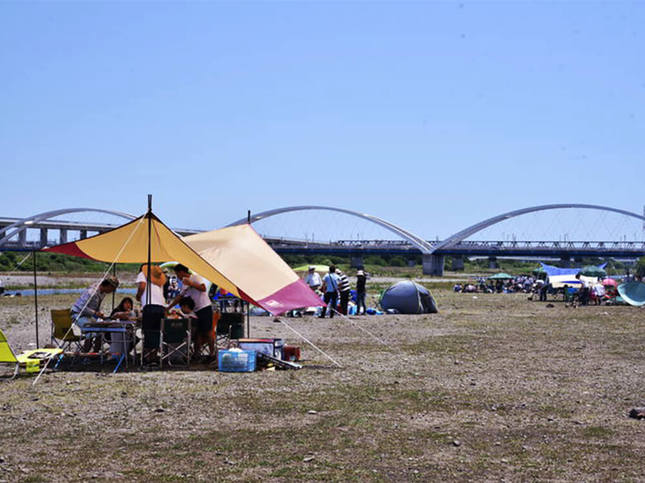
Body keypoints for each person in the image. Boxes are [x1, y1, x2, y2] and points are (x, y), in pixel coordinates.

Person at [167, 264, 214, 357]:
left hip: (205, 307)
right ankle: (197, 354)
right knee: (198, 332)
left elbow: (203, 288)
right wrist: (169, 307)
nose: (177, 277)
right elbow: (180, 297)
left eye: (177, 274)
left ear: (182, 272)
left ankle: (212, 353)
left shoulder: (195, 278)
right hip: (196, 310)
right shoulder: (184, 284)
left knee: (208, 332)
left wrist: (191, 284)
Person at [71, 276, 119, 352]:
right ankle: (85, 353)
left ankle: (95, 353)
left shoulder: (102, 294)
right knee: (90, 331)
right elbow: (81, 307)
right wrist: (95, 313)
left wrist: (99, 315)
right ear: (109, 286)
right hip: (78, 314)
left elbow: (96, 306)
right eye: (112, 289)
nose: (111, 292)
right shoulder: (91, 291)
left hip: (88, 315)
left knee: (100, 331)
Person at [136, 264, 167, 362]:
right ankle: (153, 356)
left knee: (148, 332)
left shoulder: (142, 274)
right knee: (157, 332)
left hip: (150, 306)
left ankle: (147, 357)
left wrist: (138, 296)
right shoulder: (158, 280)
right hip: (161, 306)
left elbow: (142, 286)